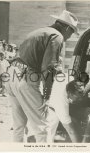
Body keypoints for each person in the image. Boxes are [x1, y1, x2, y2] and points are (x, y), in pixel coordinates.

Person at [6, 10, 79, 142]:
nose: (70, 36)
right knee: (43, 129)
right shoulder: (57, 36)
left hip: (11, 75)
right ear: (67, 27)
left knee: (19, 126)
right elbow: (49, 68)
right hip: (26, 79)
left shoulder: (40, 31)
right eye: (72, 31)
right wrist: (46, 97)